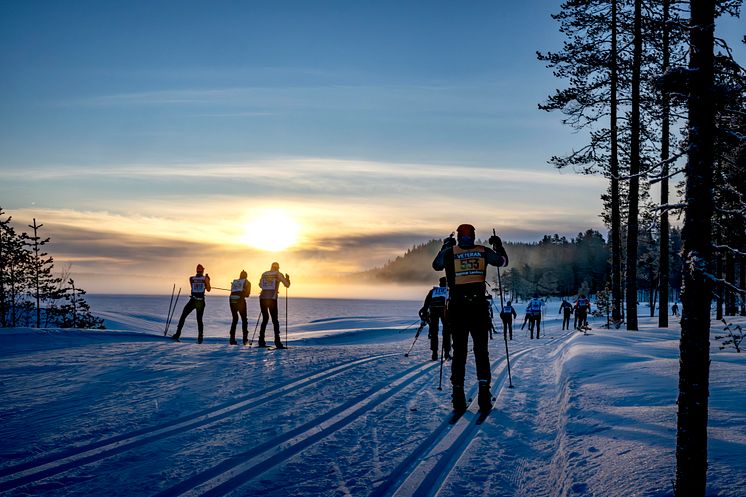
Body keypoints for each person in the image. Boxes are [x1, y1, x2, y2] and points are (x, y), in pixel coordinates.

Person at [432, 224, 508, 414]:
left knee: (459, 352)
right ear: (473, 236)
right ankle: (484, 395)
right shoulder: (483, 251)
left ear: (457, 237)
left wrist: (444, 246)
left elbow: (436, 266)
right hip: (478, 308)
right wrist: (498, 245)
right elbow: (503, 262)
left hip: (457, 309)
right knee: (481, 350)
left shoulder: (450, 252)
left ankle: (457, 395)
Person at [172, 264, 211, 343]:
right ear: (203, 270)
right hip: (200, 301)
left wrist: (205, 281)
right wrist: (208, 281)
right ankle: (200, 338)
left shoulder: (191, 278)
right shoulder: (204, 278)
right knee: (199, 320)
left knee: (183, 316)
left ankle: (177, 334)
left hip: (193, 300)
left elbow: (192, 287)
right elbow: (208, 289)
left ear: (196, 270)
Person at [257, 262, 291, 348]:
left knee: (265, 319)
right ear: (278, 268)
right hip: (272, 298)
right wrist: (287, 279)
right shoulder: (278, 274)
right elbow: (287, 285)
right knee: (275, 320)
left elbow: (260, 285)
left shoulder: (264, 274)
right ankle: (277, 342)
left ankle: (261, 341)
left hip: (262, 298)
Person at [419, 277, 451, 361]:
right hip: (445, 312)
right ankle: (447, 353)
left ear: (440, 283)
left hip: (433, 311)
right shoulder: (448, 290)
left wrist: (425, 312)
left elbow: (426, 303)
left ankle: (434, 353)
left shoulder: (433, 291)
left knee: (434, 332)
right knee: (447, 332)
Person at [229, 270, 251, 345]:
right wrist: (243, 292)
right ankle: (245, 340)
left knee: (235, 319)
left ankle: (232, 339)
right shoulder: (247, 282)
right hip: (240, 301)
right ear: (246, 276)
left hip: (232, 300)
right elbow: (247, 295)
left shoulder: (235, 282)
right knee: (244, 319)